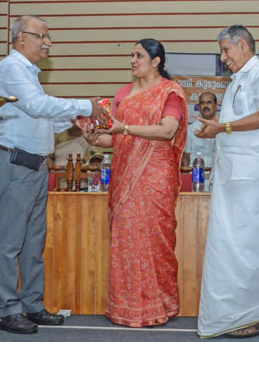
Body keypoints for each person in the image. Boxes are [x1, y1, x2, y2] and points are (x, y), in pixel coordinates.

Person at [0, 15, 107, 334]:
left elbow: (43, 119)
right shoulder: (11, 68)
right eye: (42, 35)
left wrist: (75, 122)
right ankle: (7, 309)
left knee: (33, 241)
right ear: (20, 37)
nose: (48, 42)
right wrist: (85, 105)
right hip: (16, 164)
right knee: (11, 240)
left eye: (48, 36)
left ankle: (31, 304)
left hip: (37, 166)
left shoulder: (29, 73)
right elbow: (37, 105)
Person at [79, 38, 187, 327]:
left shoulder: (170, 91)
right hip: (125, 175)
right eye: (131, 55)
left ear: (156, 61)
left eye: (139, 55)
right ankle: (126, 307)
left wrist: (123, 128)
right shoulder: (123, 94)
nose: (132, 60)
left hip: (156, 176)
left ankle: (158, 305)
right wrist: (93, 138)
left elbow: (167, 131)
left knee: (155, 240)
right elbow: (112, 138)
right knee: (126, 240)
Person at [195, 25, 259, 338]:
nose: (223, 58)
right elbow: (231, 125)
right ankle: (233, 314)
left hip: (253, 173)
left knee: (249, 245)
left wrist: (222, 128)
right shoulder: (237, 81)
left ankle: (253, 314)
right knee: (228, 245)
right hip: (232, 175)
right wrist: (215, 129)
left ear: (243, 45)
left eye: (225, 50)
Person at [182, 92, 218, 168]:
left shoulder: (222, 128)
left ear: (216, 106)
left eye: (209, 102)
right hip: (196, 175)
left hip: (217, 175)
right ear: (199, 107)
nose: (205, 106)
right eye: (202, 103)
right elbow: (186, 157)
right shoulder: (191, 129)